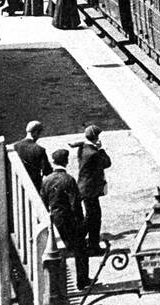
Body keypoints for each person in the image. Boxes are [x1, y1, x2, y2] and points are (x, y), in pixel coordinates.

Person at [41, 148, 89, 289]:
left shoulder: (47, 180)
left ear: (53, 162)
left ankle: (56, 286)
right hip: (69, 220)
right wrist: (80, 223)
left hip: (54, 220)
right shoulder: (69, 180)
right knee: (80, 250)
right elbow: (75, 204)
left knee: (56, 251)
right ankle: (82, 281)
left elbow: (43, 201)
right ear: (66, 162)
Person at [73, 124, 111, 255]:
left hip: (85, 188)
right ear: (95, 138)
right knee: (93, 218)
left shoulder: (83, 149)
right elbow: (107, 163)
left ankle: (89, 243)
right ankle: (91, 245)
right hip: (90, 190)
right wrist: (101, 149)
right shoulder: (94, 153)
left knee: (91, 217)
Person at [12, 121, 51, 187]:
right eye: (39, 133)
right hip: (34, 184)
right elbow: (46, 171)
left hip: (18, 183)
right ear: (36, 132)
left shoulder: (15, 146)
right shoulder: (39, 149)